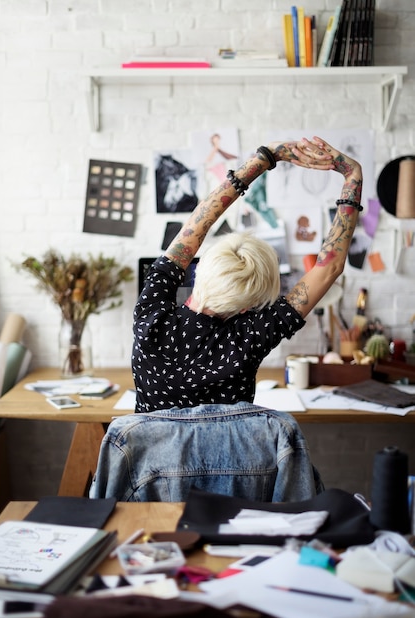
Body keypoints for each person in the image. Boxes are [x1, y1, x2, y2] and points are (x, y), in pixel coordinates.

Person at [132, 137, 363, 412]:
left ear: (201, 268)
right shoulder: (248, 339)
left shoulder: (150, 317)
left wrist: (266, 157)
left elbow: (197, 224)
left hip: (152, 456)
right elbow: (329, 269)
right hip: (225, 457)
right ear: (247, 306)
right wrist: (352, 176)